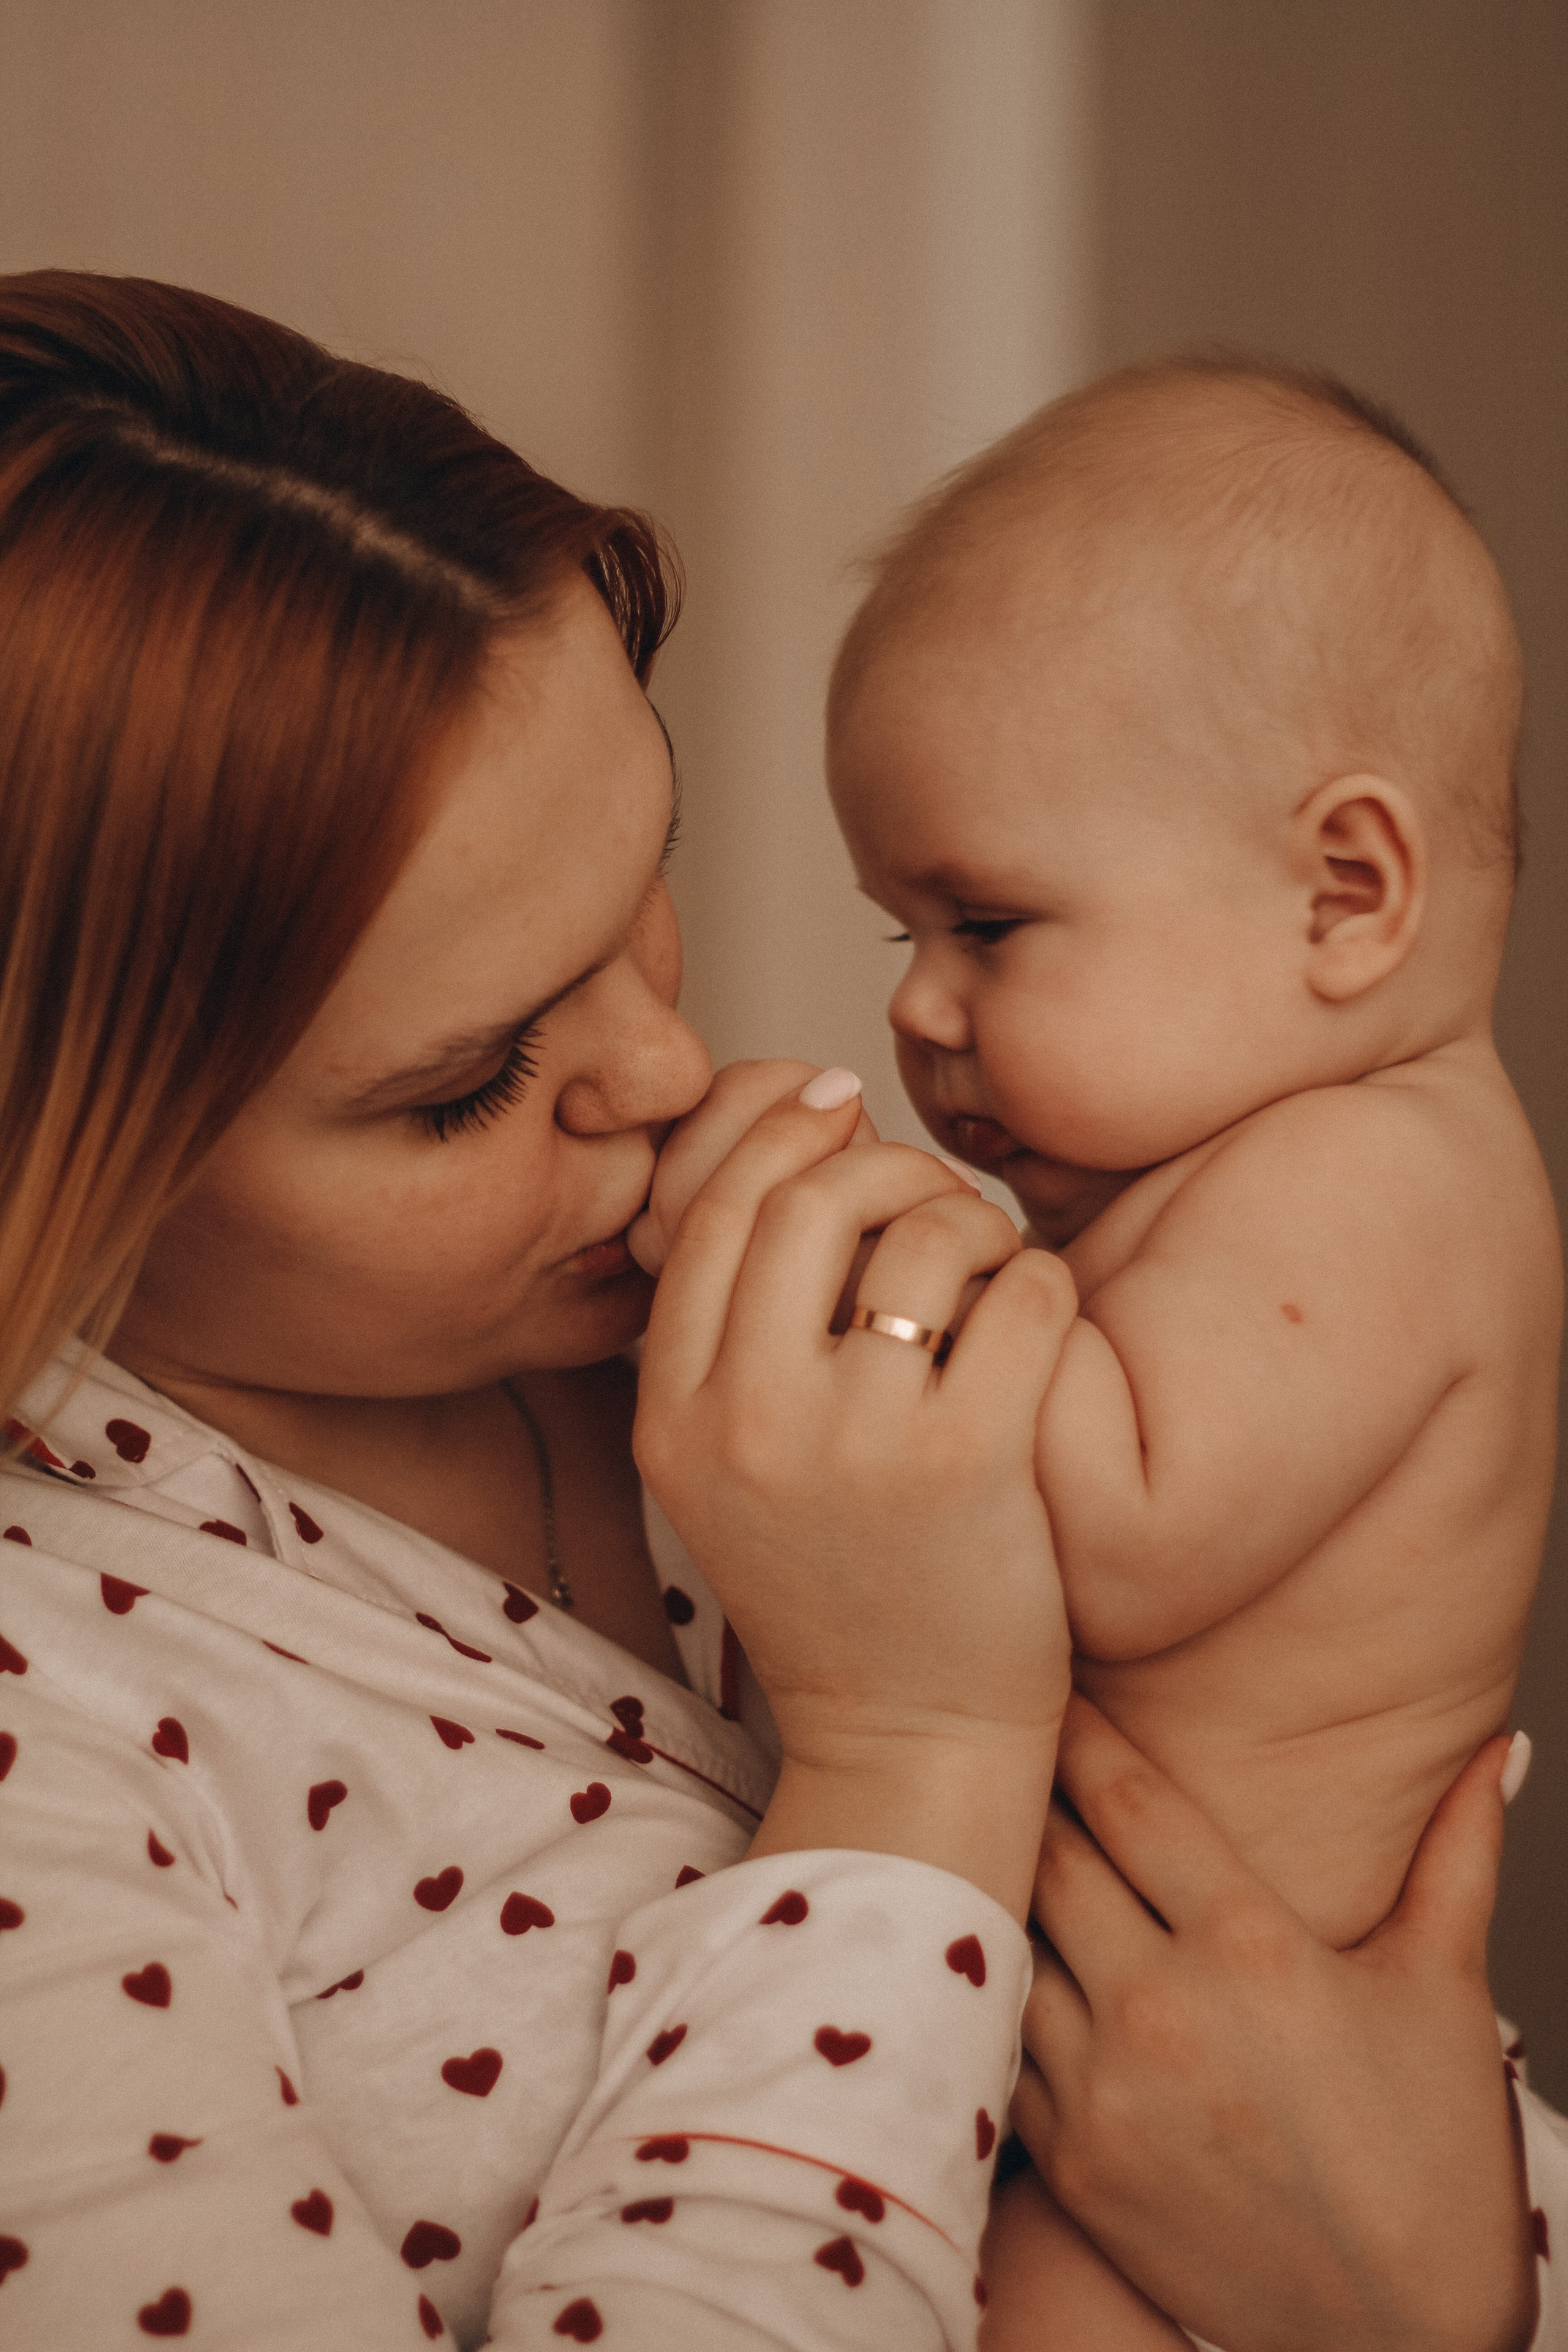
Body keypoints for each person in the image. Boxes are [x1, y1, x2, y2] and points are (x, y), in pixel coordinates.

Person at [0, 270, 1079, 2349]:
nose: (669, 1076)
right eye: (467, 1085)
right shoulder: (59, 1750)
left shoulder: (788, 1339)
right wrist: (911, 1759)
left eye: (643, 888)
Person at [627, 357, 1566, 2347]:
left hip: (1215, 2098)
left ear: (1348, 893)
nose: (927, 1012)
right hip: (1129, 2035)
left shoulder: (1382, 1183)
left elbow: (1118, 1531)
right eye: (902, 937)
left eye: (986, 921)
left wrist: (834, 1243)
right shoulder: (1242, 1161)